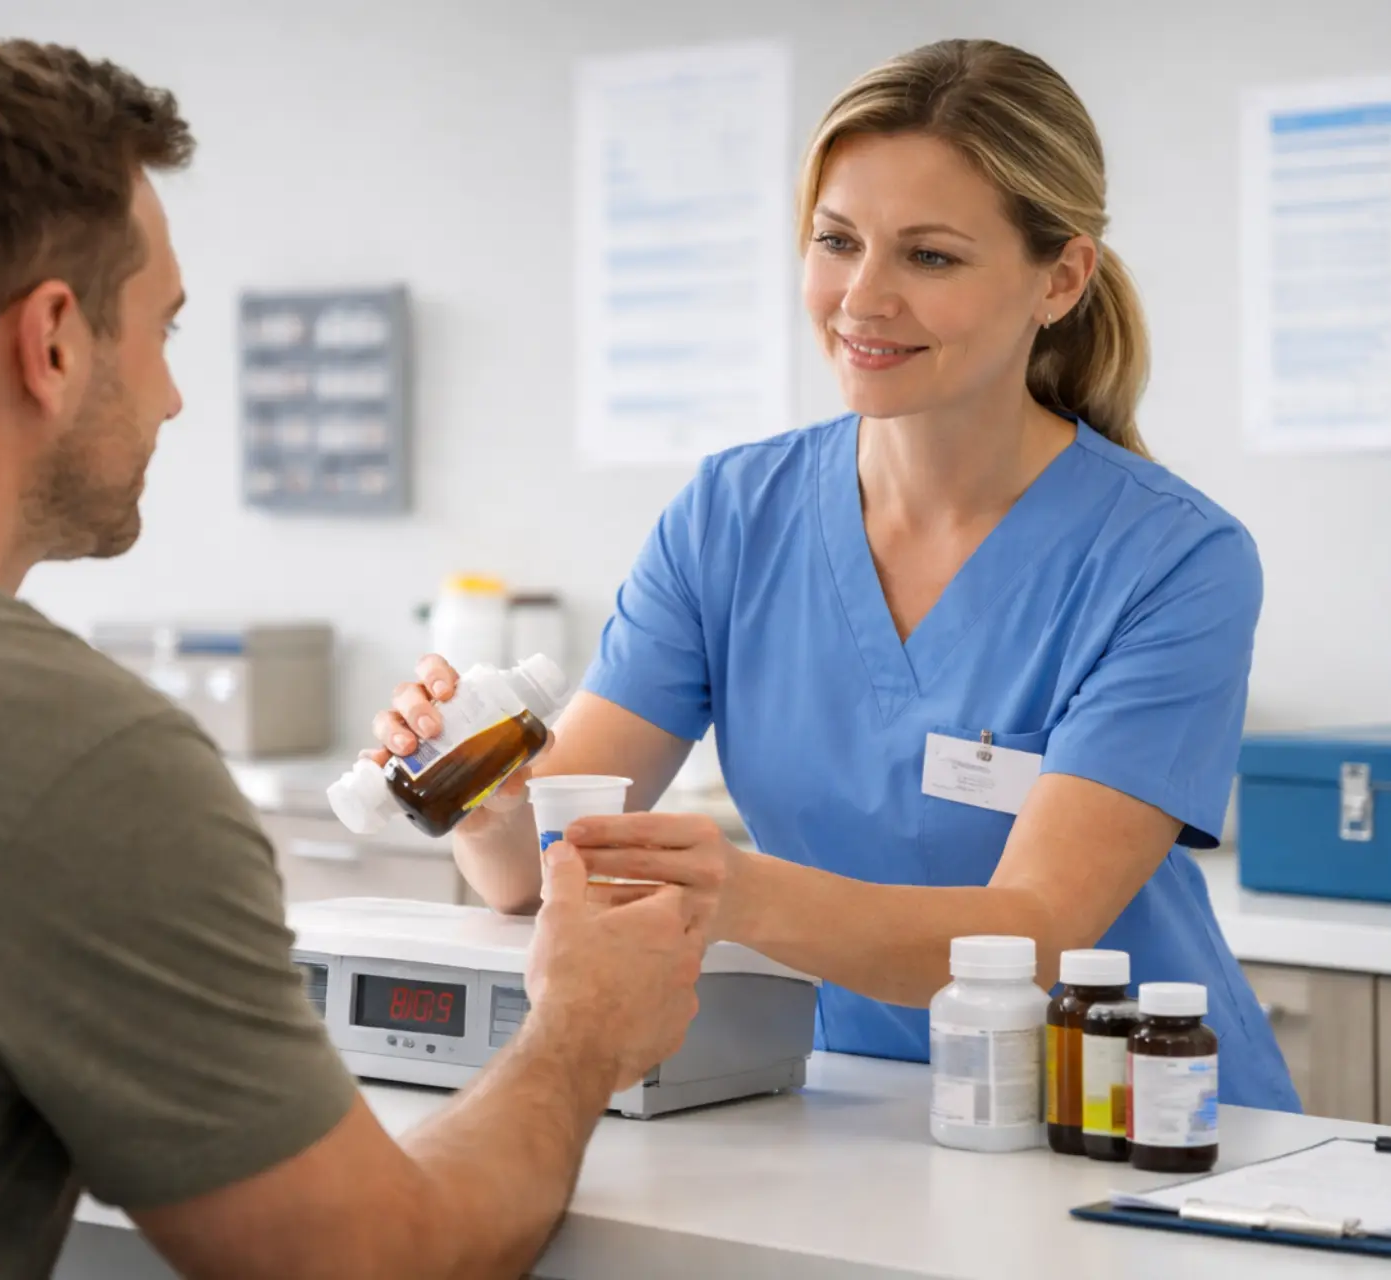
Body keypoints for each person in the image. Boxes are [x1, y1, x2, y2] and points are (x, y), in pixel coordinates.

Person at [0, 37, 707, 1280]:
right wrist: (581, 1032)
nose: (172, 396)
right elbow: (370, 1262)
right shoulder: (75, 756)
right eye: (162, 329)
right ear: (54, 342)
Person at [374, 39, 1299, 1111]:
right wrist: (478, 791)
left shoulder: (1172, 559)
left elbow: (1037, 933)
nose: (862, 298)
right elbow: (533, 874)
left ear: (1060, 279)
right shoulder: (730, 517)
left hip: (1129, 1117)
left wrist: (734, 892)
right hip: (855, 1109)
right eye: (836, 241)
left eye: (930, 257)